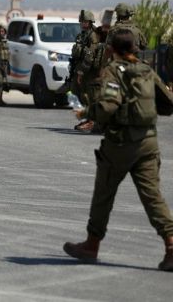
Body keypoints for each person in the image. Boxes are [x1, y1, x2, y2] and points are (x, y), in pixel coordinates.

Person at [63, 29, 173, 271]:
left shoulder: (113, 71)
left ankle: (91, 245)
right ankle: (171, 245)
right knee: (152, 196)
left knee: (103, 194)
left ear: (112, 49)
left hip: (121, 145)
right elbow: (167, 103)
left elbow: (108, 106)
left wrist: (86, 113)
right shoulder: (146, 70)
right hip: (148, 143)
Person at [69, 10, 102, 131]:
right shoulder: (83, 35)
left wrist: (82, 72)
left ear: (90, 22)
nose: (83, 24)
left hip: (89, 71)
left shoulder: (93, 36)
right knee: (78, 93)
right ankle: (89, 118)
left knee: (89, 96)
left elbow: (90, 55)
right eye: (82, 21)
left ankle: (92, 121)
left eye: (85, 22)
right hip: (80, 68)